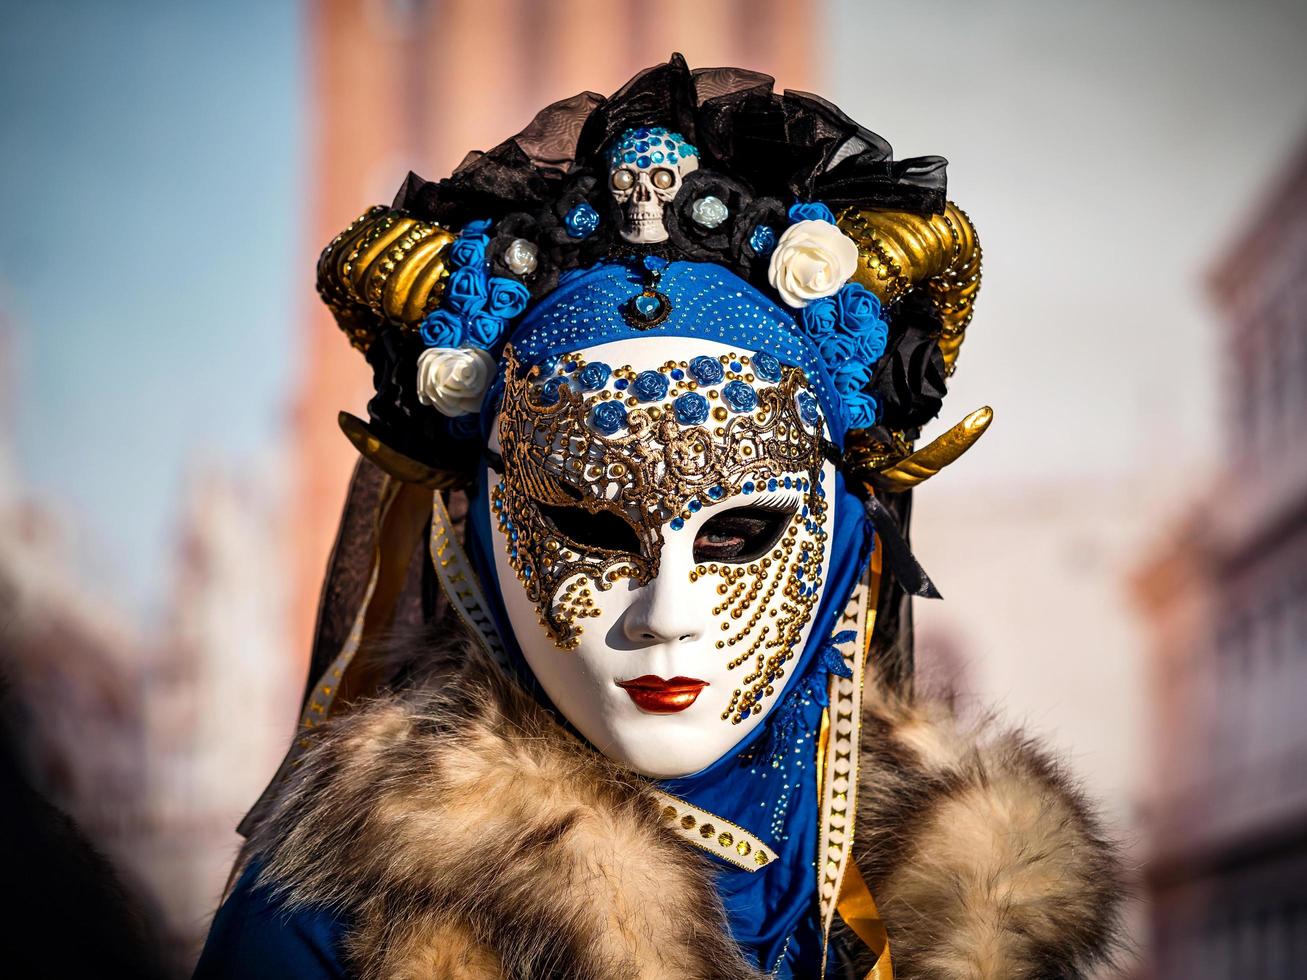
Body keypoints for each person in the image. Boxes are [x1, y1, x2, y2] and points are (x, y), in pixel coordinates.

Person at [195, 56, 1123, 979]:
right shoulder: (334, 923)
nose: (667, 611)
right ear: (472, 528)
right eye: (591, 530)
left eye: (736, 532)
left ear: (845, 533)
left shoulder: (981, 903)